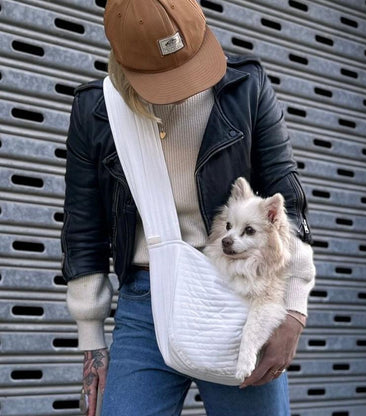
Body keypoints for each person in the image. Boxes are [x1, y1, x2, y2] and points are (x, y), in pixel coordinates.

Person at [61, 0, 316, 415]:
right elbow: (83, 226)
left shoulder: (245, 89)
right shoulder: (96, 112)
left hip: (239, 292)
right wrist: (92, 342)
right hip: (145, 305)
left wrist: (293, 311)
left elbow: (286, 202)